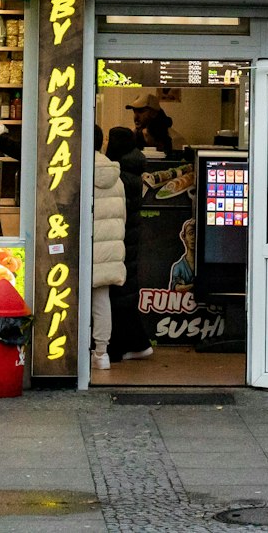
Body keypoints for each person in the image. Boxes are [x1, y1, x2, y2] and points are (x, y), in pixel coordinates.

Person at [103, 126, 152, 361]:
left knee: (119, 293)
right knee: (125, 291)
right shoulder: (133, 170)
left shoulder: (119, 174)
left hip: (119, 239)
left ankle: (123, 346)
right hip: (129, 237)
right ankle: (138, 343)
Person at [90, 126, 126, 370]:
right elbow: (121, 215)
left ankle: (75, 350)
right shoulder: (116, 176)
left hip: (83, 246)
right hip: (109, 247)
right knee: (102, 300)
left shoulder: (75, 170)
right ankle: (102, 354)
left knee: (70, 298)